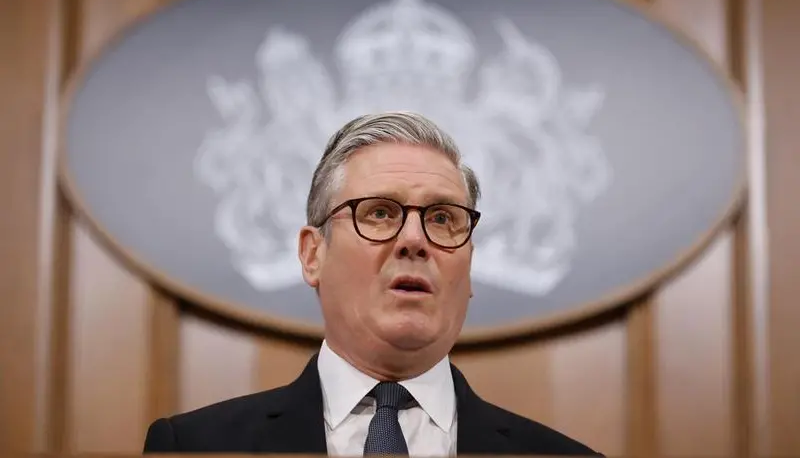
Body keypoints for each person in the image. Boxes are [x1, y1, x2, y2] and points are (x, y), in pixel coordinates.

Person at [143, 111, 600, 456]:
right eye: (380, 213)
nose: (415, 240)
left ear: (469, 265)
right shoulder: (193, 447)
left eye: (443, 219)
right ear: (312, 254)